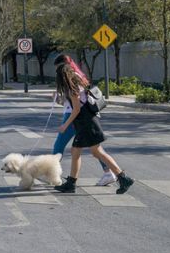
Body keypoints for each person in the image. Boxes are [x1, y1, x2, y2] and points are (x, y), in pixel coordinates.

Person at [53, 57, 134, 194]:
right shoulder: (77, 83)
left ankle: (122, 177)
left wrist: (65, 126)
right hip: (87, 122)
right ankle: (72, 183)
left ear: (63, 77)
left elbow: (76, 109)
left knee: (96, 152)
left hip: (86, 124)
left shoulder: (72, 88)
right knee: (78, 152)